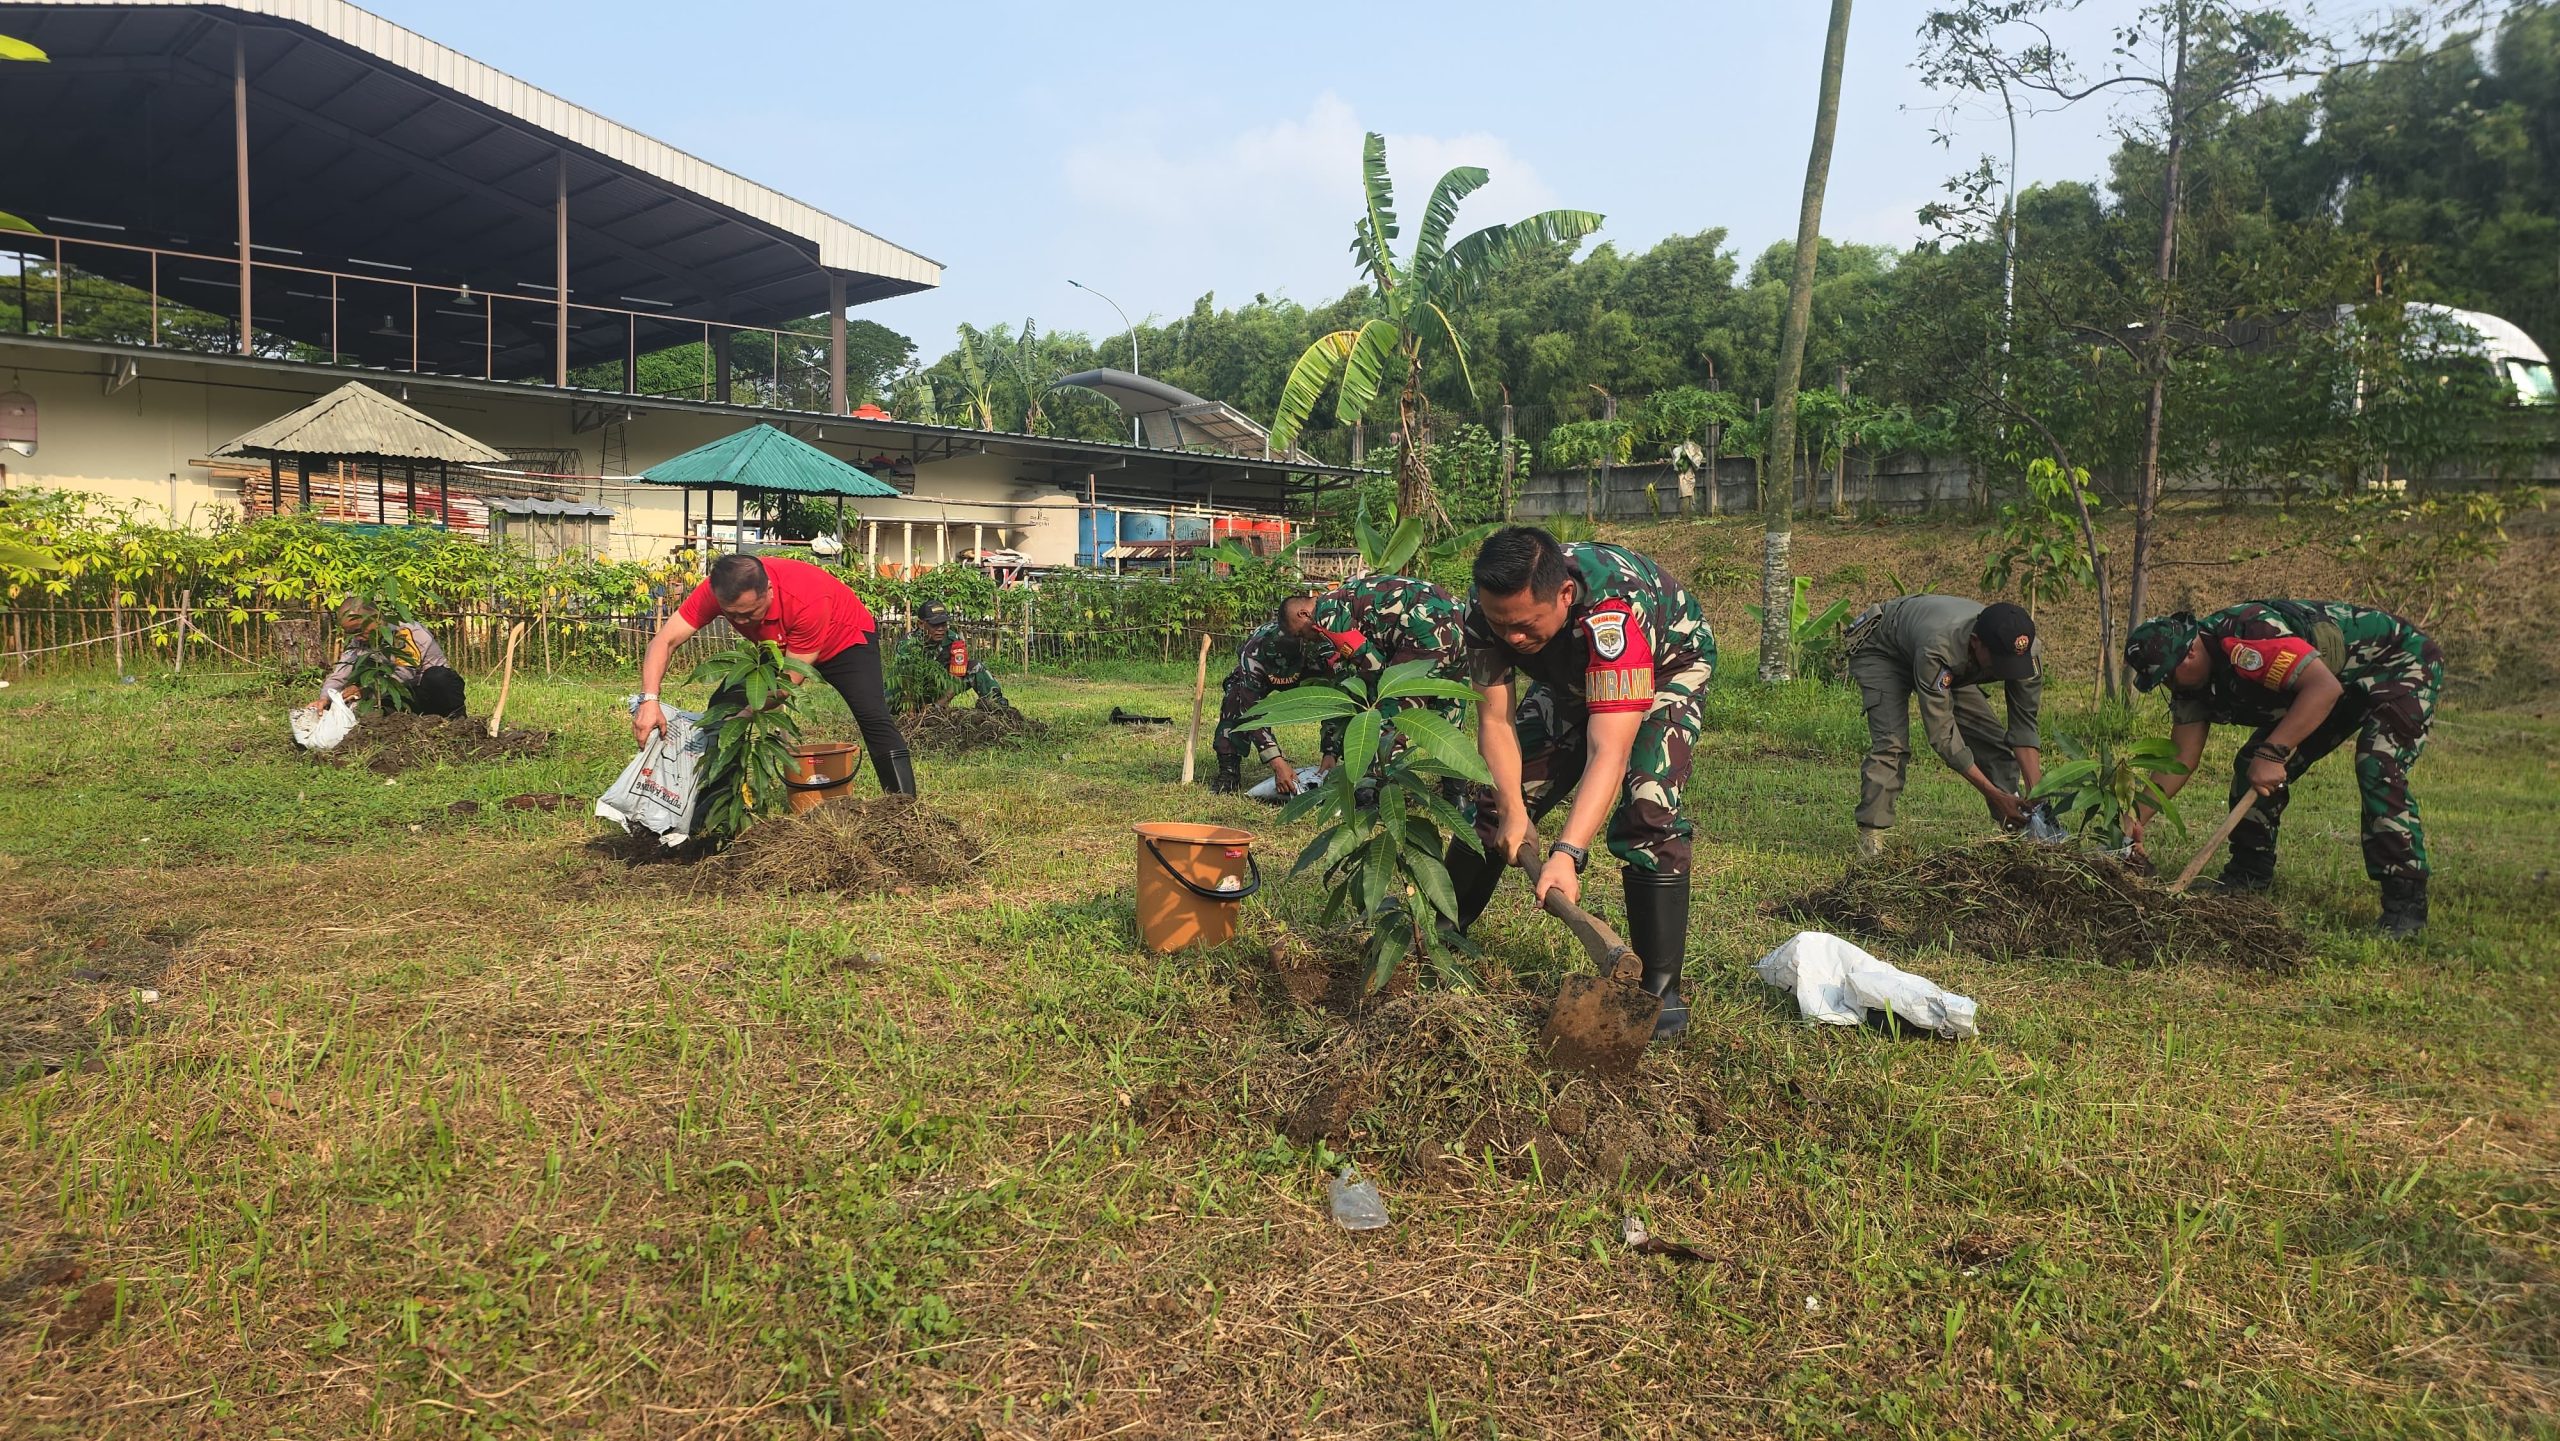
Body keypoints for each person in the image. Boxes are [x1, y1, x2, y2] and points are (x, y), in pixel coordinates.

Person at [1450, 527, 1716, 1042]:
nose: (1512, 639)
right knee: (1496, 802)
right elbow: (1495, 723)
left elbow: (1608, 751)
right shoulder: (1488, 610)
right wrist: (1511, 811)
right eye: (1501, 626)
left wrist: (1568, 853)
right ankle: (1444, 928)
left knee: (1647, 808)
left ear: (1565, 596)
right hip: (1572, 678)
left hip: (1664, 667)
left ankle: (1659, 992)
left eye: (1525, 626)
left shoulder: (1616, 610)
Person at [2121, 600, 2442, 937]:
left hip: (2398, 663)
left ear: (2189, 653)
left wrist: (2274, 753)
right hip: (2334, 683)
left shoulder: (2249, 640)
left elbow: (2323, 688)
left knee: (2378, 765)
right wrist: (2136, 816)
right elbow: (2182, 758)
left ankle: (2406, 902)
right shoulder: (2189, 682)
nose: (2169, 685)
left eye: (2168, 676)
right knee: (2251, 766)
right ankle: (2248, 875)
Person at [634, 553, 914, 796]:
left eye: (750, 613)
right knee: (721, 708)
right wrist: (649, 700)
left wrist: (745, 715)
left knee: (873, 716)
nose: (741, 622)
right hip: (774, 645)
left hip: (845, 640)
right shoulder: (717, 589)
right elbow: (665, 640)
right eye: (733, 615)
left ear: (769, 589)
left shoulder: (807, 597)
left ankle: (903, 810)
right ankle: (714, 802)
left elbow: (788, 680)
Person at [1843, 595, 2044, 858]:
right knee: (1891, 745)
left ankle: (2020, 830)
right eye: (1999, 664)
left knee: (1992, 743)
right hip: (1885, 651)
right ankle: (1871, 843)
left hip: (1953, 662)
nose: (2006, 672)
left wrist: (2038, 792)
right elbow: (1943, 736)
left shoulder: (2024, 651)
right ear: (1976, 643)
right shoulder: (1939, 648)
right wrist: (1994, 794)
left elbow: (2024, 725)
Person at [1305, 573, 1469, 774]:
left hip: (1425, 628)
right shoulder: (1349, 593)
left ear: (1303, 615)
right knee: (1450, 707)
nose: (1307, 639)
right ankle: (1456, 791)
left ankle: (1378, 788)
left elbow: (1373, 666)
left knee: (1392, 712)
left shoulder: (1327, 614)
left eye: (1299, 633)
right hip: (1461, 619)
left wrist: (1369, 701)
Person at [1209, 595, 1335, 795]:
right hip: (1260, 675)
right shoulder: (1253, 653)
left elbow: (1334, 702)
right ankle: (1229, 772)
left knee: (1337, 698)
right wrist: (1277, 763)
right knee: (1235, 697)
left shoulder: (1319, 650)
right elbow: (1252, 712)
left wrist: (1331, 750)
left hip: (1305, 673)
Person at [310, 597, 465, 717]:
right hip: (399, 695)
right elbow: (340, 673)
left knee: (437, 676)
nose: (357, 636)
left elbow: (404, 673)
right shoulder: (358, 641)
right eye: (351, 633)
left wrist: (364, 690)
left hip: (429, 690)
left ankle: (457, 718)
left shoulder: (405, 631)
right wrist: (324, 698)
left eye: (359, 629)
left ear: (376, 617)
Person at [896, 600, 1011, 711]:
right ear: (921, 624)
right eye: (935, 625)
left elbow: (958, 674)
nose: (941, 629)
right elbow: (904, 681)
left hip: (941, 686)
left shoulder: (953, 640)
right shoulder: (907, 644)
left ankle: (995, 704)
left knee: (975, 667)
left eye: (944, 624)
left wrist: (940, 704)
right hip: (911, 693)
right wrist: (910, 712)